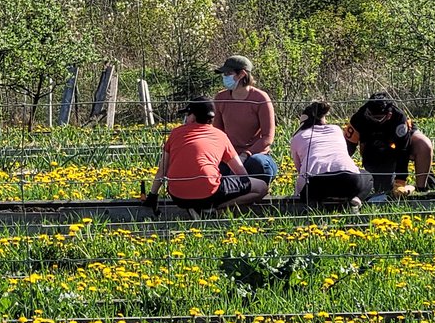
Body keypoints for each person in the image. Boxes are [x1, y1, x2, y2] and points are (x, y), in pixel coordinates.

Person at [143, 97, 269, 215]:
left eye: (187, 114)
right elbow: (241, 172)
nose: (186, 118)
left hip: (178, 196)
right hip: (209, 193)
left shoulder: (175, 133)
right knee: (261, 187)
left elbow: (162, 170)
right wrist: (235, 187)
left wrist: (152, 196)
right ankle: (213, 208)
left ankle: (199, 208)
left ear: (193, 117)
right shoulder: (220, 136)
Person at [343, 93, 435, 198]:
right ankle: (404, 186)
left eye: (379, 118)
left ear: (389, 114)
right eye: (371, 116)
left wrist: (400, 181)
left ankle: (421, 189)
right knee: (383, 189)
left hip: (400, 143)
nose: (375, 120)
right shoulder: (358, 119)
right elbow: (346, 149)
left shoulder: (399, 118)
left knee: (424, 145)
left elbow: (403, 150)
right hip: (374, 148)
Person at [291, 101, 372, 209]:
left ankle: (316, 203)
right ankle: (355, 198)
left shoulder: (297, 137)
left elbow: (299, 168)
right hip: (348, 178)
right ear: (323, 118)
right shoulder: (336, 129)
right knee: (368, 176)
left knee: (307, 183)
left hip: (316, 183)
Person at [212, 55, 279, 185]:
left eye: (228, 73)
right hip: (229, 156)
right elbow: (217, 133)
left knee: (258, 164)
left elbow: (267, 137)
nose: (224, 77)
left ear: (242, 74)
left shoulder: (260, 98)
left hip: (255, 155)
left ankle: (256, 192)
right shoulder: (221, 98)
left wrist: (245, 154)